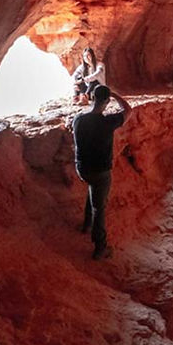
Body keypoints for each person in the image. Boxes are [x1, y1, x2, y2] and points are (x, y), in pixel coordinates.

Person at [71, 85, 132, 259]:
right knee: (99, 207)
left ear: (91, 98)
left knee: (92, 189)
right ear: (106, 102)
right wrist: (114, 94)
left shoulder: (78, 120)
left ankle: (86, 225)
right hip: (100, 171)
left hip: (82, 169)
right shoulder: (107, 122)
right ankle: (100, 247)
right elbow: (128, 111)